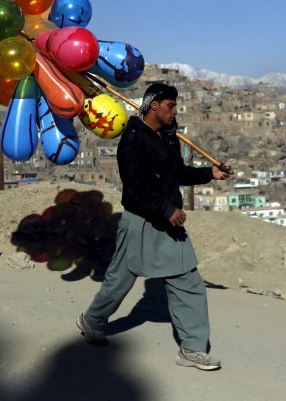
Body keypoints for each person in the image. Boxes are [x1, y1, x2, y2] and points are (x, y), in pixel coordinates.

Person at [77, 82, 233, 371]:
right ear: (153, 106)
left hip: (169, 223)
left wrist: (209, 173)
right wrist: (165, 209)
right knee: (119, 281)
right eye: (170, 105)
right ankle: (92, 320)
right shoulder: (134, 139)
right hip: (141, 222)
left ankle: (193, 349)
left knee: (188, 280)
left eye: (176, 105)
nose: (175, 111)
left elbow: (177, 174)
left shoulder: (168, 138)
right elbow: (135, 187)